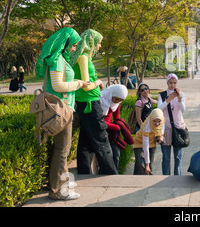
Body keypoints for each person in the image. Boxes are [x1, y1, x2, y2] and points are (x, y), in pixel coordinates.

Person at [35, 27, 89, 200]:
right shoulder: (57, 61)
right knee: (62, 149)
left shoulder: (60, 60)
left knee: (62, 148)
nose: (74, 49)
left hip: (64, 108)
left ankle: (60, 180)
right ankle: (57, 190)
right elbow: (58, 86)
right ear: (65, 44)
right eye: (73, 45)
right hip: (61, 110)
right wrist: (80, 83)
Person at [71, 29, 117, 175]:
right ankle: (111, 174)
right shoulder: (83, 58)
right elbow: (87, 85)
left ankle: (83, 171)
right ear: (91, 42)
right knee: (102, 140)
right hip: (90, 103)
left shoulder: (77, 57)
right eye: (98, 43)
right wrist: (98, 82)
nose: (99, 46)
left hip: (82, 104)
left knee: (85, 141)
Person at [158, 73, 186, 175]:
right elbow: (159, 109)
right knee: (166, 156)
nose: (172, 85)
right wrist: (168, 100)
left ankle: (177, 176)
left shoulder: (181, 94)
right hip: (165, 128)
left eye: (174, 83)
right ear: (167, 82)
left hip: (178, 127)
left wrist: (179, 98)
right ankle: (165, 176)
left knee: (178, 156)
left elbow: (183, 110)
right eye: (170, 83)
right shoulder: (162, 95)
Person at [100, 84, 133, 170]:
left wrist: (119, 125)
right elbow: (99, 121)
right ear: (112, 93)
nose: (117, 101)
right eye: (116, 99)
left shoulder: (116, 103)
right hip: (100, 130)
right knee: (107, 155)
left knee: (116, 154)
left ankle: (115, 174)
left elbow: (116, 118)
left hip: (109, 131)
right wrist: (115, 127)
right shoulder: (102, 99)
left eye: (120, 100)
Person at [133, 108, 165, 175]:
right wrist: (147, 165)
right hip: (140, 143)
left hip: (152, 143)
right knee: (143, 166)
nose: (157, 123)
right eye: (154, 121)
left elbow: (162, 129)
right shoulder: (146, 127)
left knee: (150, 167)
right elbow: (145, 147)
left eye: (159, 121)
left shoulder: (162, 121)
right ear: (151, 119)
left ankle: (148, 182)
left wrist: (161, 136)